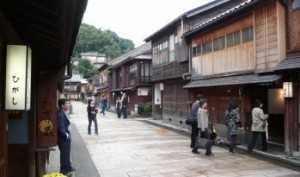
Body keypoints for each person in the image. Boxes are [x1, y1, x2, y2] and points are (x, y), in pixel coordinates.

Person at [57, 98, 75, 175]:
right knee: (64, 154)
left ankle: (68, 167)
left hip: (65, 138)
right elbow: (60, 129)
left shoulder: (62, 112)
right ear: (62, 105)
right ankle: (64, 171)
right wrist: (66, 135)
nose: (68, 105)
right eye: (67, 103)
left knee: (67, 154)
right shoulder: (60, 114)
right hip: (63, 138)